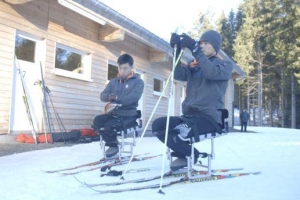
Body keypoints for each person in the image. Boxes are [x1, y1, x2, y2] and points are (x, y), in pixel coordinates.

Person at [152, 30, 233, 171]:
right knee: (159, 126)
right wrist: (177, 51)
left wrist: (195, 49)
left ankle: (185, 153)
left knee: (181, 131)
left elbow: (211, 72)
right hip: (190, 115)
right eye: (200, 43)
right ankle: (189, 153)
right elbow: (178, 74)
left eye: (206, 43)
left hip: (209, 117)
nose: (202, 45)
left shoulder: (225, 66)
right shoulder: (195, 65)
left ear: (215, 47)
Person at [93, 53, 144, 158]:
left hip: (128, 115)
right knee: (97, 121)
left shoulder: (138, 82)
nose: (122, 71)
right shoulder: (113, 82)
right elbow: (102, 96)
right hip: (113, 114)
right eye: (120, 68)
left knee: (109, 126)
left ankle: (113, 145)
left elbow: (134, 97)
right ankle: (113, 143)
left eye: (125, 68)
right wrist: (109, 97)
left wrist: (119, 100)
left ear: (131, 67)